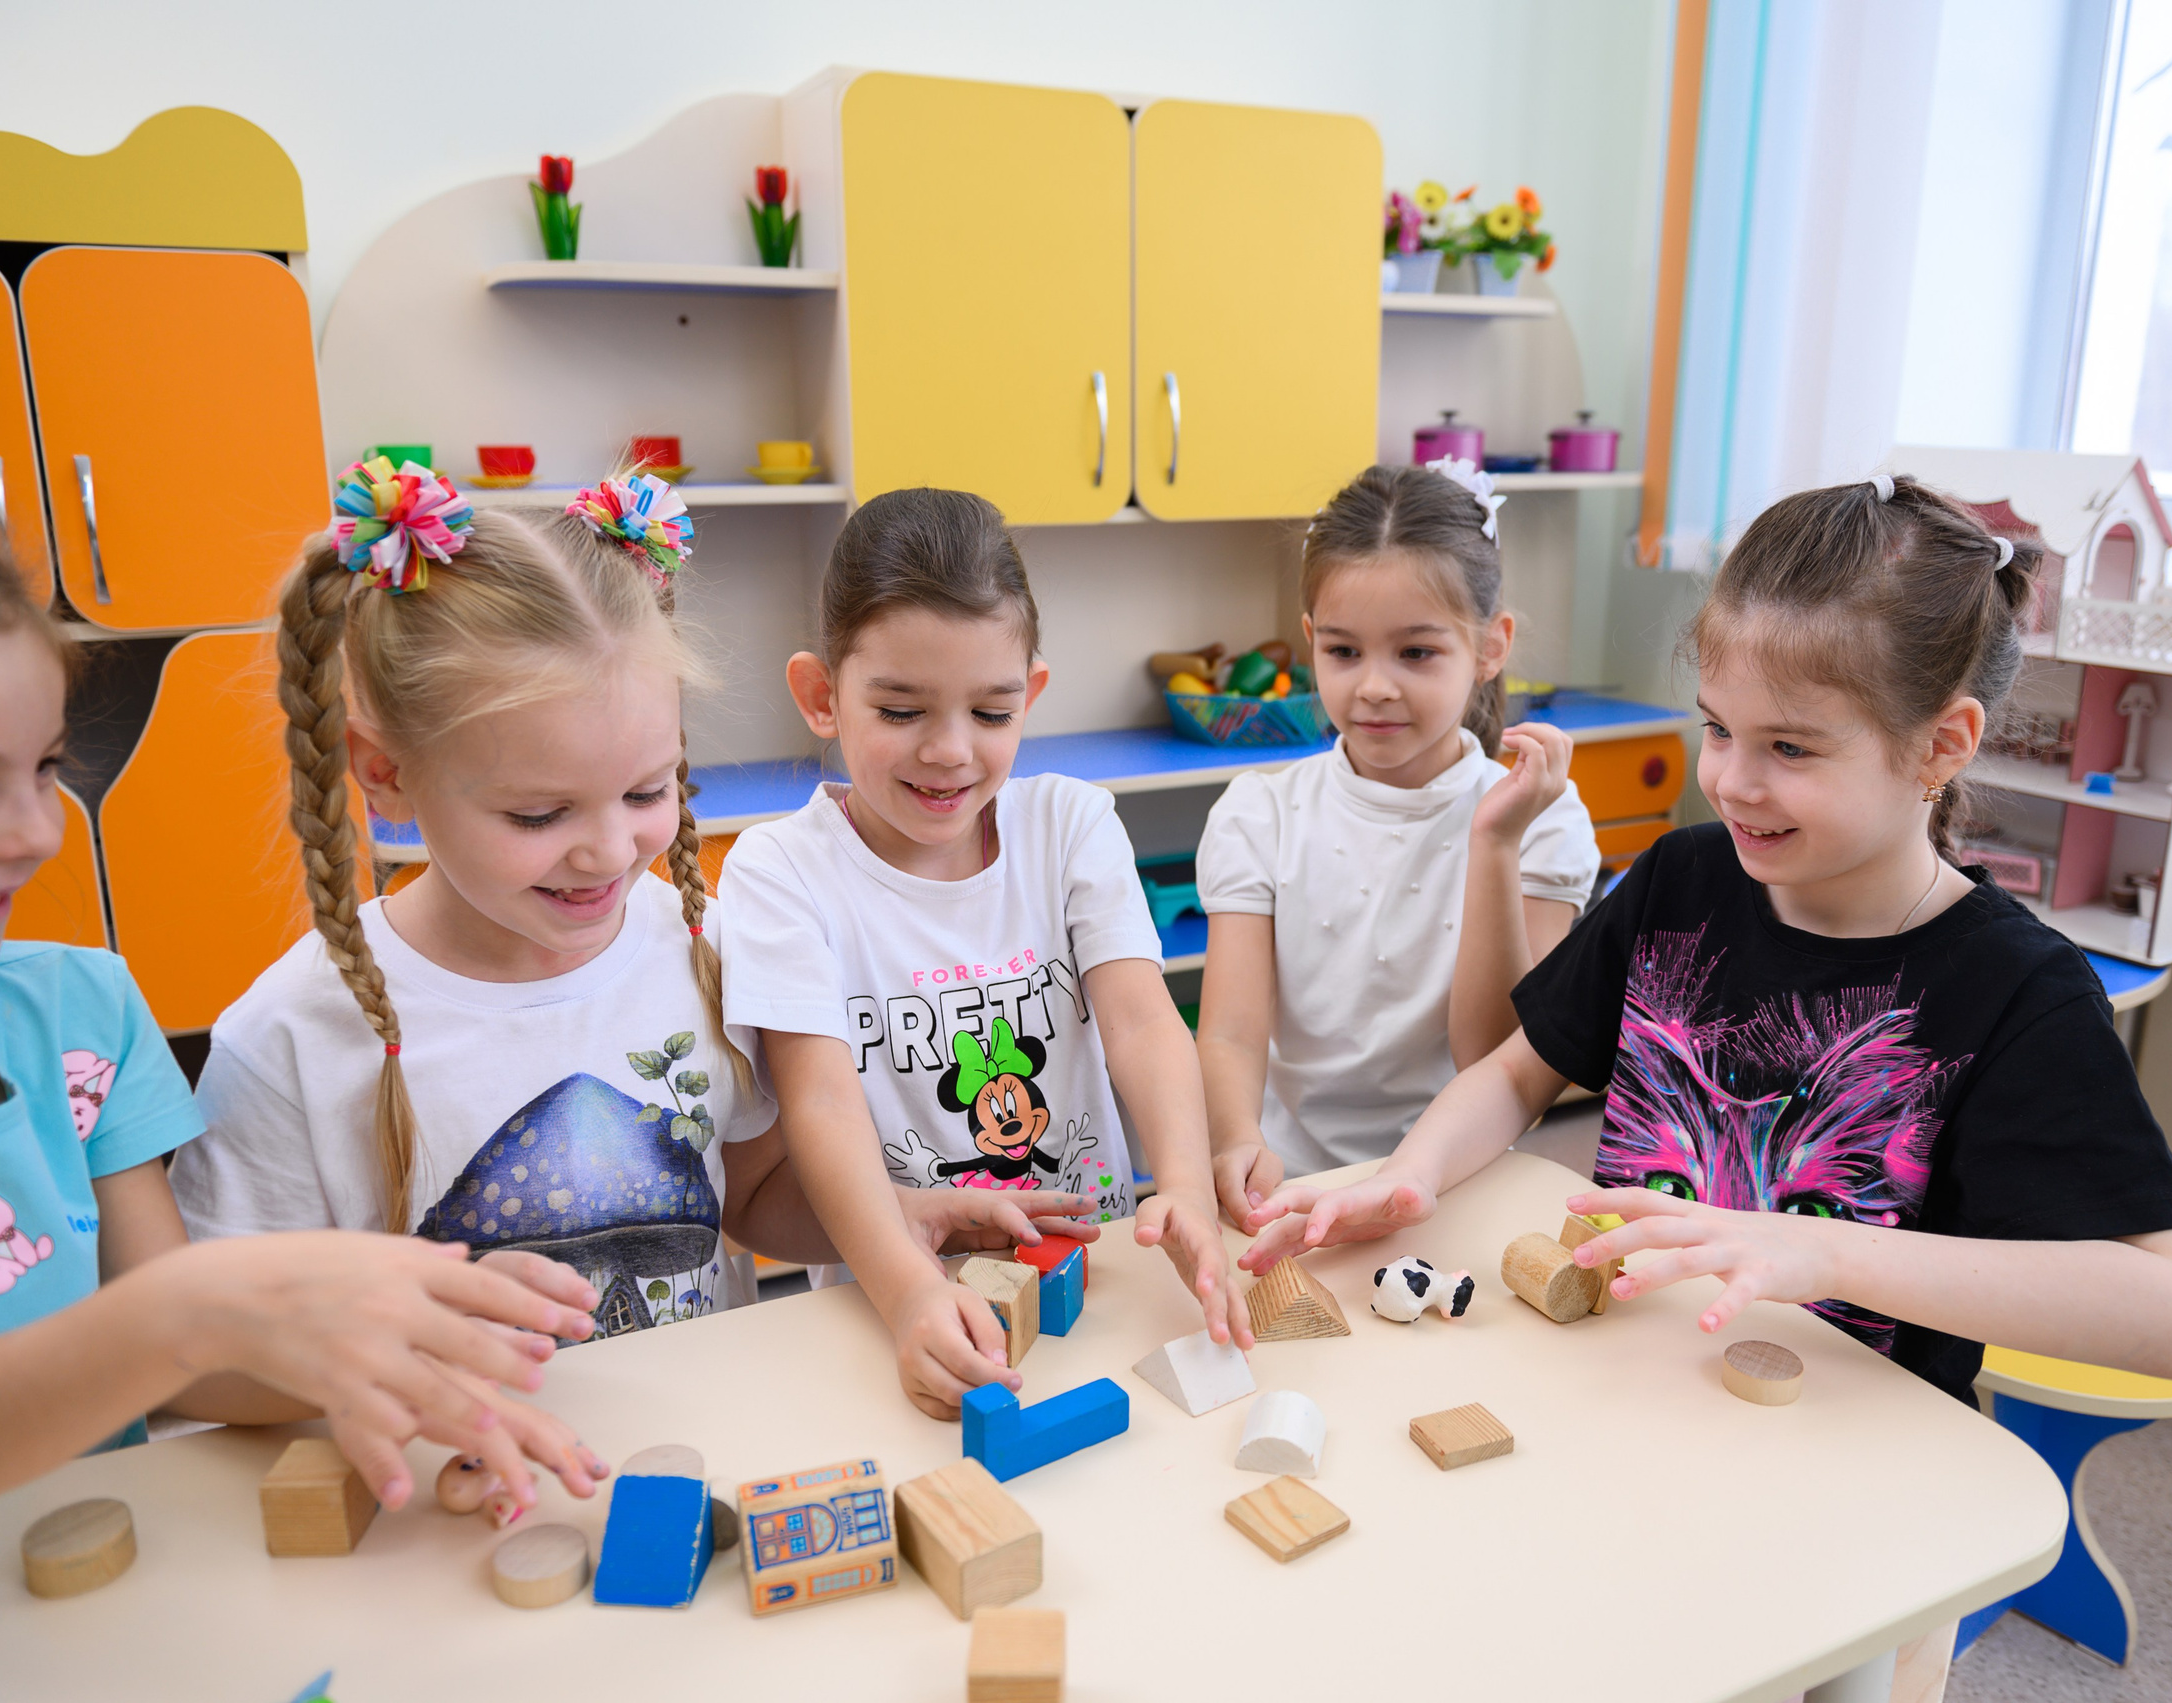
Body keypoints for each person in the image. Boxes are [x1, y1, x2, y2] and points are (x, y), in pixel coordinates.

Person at [1245, 473, 2172, 1401]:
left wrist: (1825, 1252)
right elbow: (1513, 1073)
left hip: (1836, 1452)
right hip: (1632, 1389)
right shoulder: (1684, 878)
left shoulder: (2015, 989)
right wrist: (1408, 1175)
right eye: (1719, 728)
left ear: (1940, 743)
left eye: (1790, 747)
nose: (1730, 781)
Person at [173, 465, 1083, 1341]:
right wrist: (390, 1327)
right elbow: (212, 1358)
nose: (611, 852)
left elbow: (756, 1194)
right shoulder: (290, 1042)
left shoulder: (703, 945)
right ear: (385, 774)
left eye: (648, 792)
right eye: (538, 811)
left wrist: (906, 1219)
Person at [0, 501, 604, 1525]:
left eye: (43, 768)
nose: (39, 831)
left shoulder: (81, 1013)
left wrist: (408, 1354)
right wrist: (184, 1314)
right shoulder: (282, 1030)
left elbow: (188, 1373)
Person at [719, 487, 1249, 1419]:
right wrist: (909, 1291)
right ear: (820, 695)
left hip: (1099, 1278)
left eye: (992, 713)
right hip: (900, 1296)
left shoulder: (1070, 823)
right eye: (900, 710)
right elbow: (819, 1099)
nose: (950, 752)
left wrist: (1184, 1186)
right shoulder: (780, 870)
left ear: (1032, 694)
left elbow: (1140, 1019)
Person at [1196, 461, 1597, 1226]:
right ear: (1310, 640)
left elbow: (1499, 1060)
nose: (1374, 686)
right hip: (1292, 1181)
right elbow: (1232, 1033)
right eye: (1344, 652)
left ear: (1490, 645)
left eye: (1415, 653)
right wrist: (1236, 1139)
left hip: (1461, 1181)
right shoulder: (1260, 811)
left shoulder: (1540, 816)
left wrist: (1495, 842)